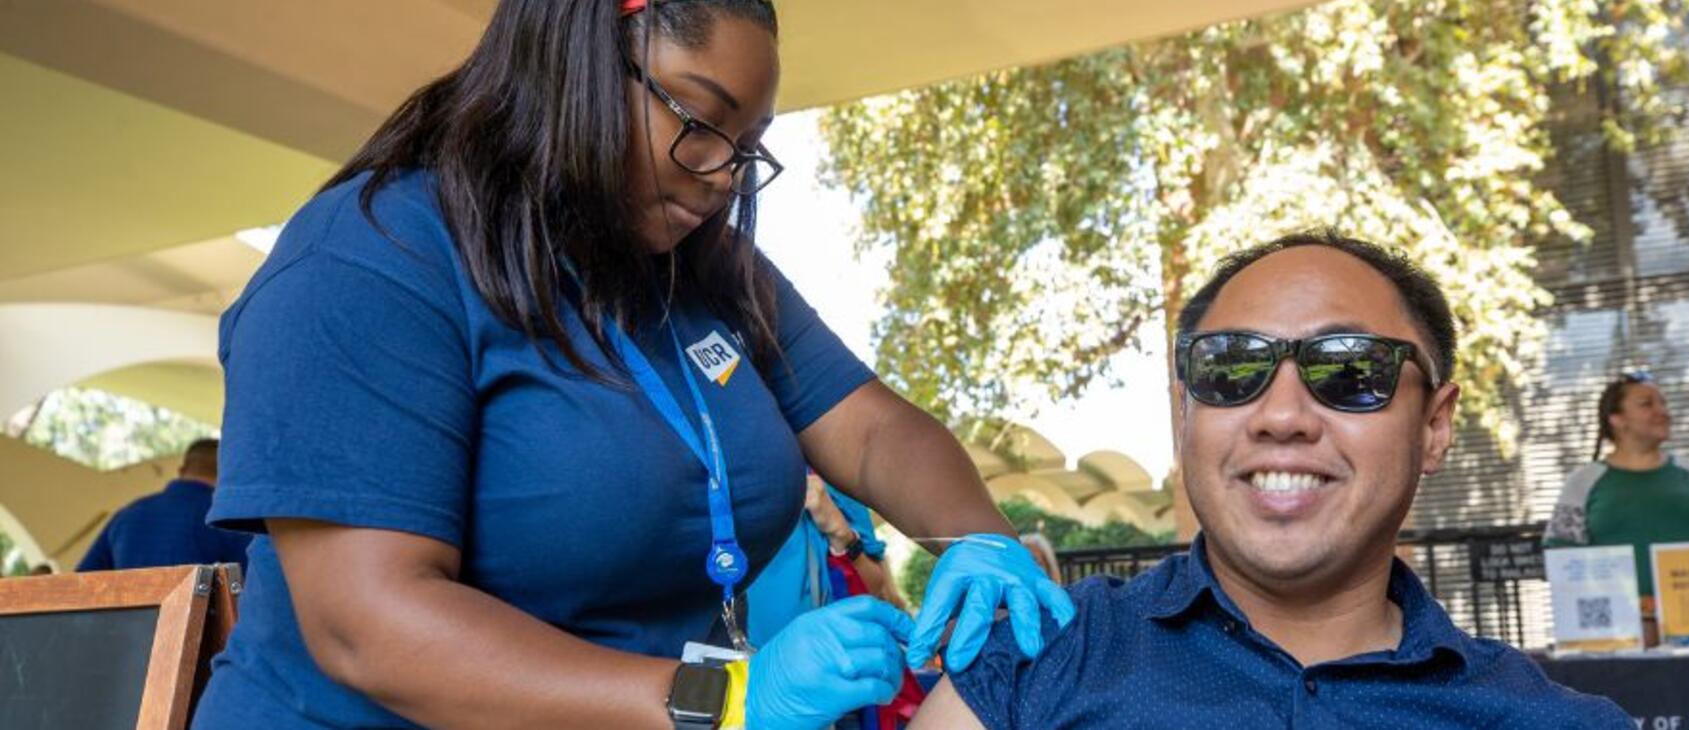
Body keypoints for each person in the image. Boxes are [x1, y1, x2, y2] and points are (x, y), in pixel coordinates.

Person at [193, 2, 1069, 728]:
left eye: (748, 143)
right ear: (575, 61)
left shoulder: (706, 270)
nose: (723, 176)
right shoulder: (371, 257)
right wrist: (723, 701)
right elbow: (370, 629)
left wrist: (982, 541)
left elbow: (872, 431)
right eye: (700, 120)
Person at [912, 231, 1631, 728]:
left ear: (1434, 428)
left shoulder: (1550, 722)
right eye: (1231, 368)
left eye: (1349, 370)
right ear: (1186, 413)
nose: (1282, 415)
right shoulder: (1042, 659)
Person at [1544, 372, 1689, 639]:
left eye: (1663, 403)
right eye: (1647, 404)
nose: (1662, 412)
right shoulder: (1583, 482)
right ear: (1617, 420)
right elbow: (1563, 558)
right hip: (1618, 635)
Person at [746, 472, 907, 646]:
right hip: (750, 654)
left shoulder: (832, 475)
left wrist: (840, 531)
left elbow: (878, 589)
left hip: (832, 649)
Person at [76, 439, 249, 572]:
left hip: (132, 609)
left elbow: (80, 583)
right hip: (198, 610)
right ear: (230, 474)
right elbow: (258, 586)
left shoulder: (127, 515)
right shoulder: (229, 519)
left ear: (181, 470)